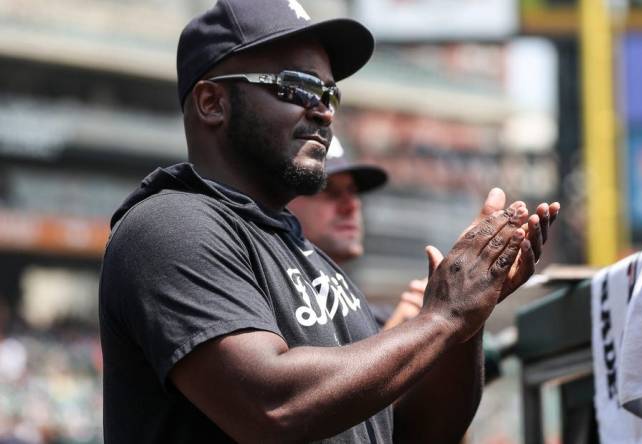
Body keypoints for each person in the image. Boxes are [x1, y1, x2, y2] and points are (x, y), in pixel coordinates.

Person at [98, 1, 560, 443]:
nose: (322, 110)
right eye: (295, 87)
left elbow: (418, 434)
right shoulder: (169, 224)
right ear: (212, 102)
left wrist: (468, 321)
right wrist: (442, 316)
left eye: (328, 92)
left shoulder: (313, 258)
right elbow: (272, 406)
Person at [288, 137, 424, 329]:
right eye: (328, 189)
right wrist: (400, 333)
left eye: (353, 191)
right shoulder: (268, 301)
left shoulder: (370, 315)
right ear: (282, 198)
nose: (351, 205)